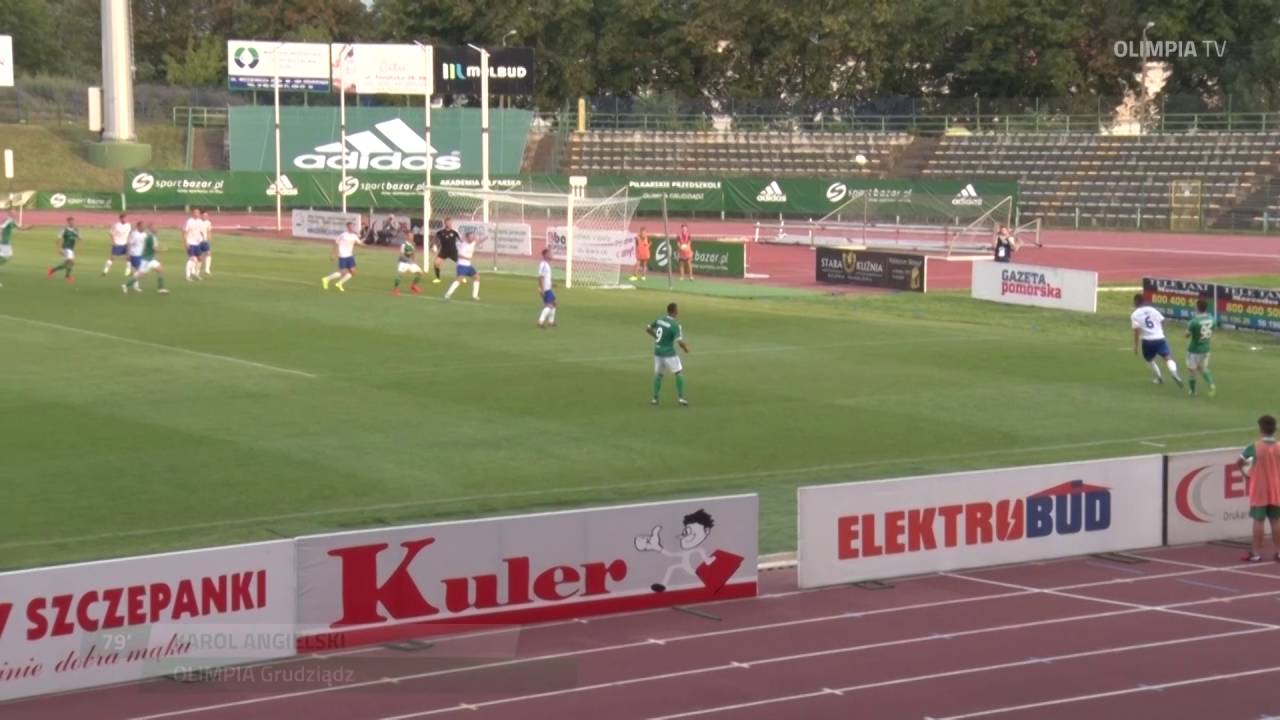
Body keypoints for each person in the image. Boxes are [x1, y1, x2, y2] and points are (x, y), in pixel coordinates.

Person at [1237, 415, 1280, 563]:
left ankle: (1255, 553)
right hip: (1276, 488)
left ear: (1261, 429)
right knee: (1276, 520)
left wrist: (1245, 474)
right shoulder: (1279, 446)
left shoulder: (1253, 447)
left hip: (1259, 489)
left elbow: (1239, 462)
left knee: (1258, 521)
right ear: (1274, 429)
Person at [1131, 293, 1183, 387]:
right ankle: (1174, 373)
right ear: (1143, 301)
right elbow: (1162, 320)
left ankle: (1159, 378)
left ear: (1136, 302)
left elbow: (1136, 331)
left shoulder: (1135, 315)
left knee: (1149, 360)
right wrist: (1160, 330)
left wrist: (1136, 345)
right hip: (1160, 338)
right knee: (1167, 357)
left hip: (1147, 341)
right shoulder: (1152, 309)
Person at [646, 302, 689, 406]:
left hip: (657, 352)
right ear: (674, 311)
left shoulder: (660, 320)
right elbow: (679, 342)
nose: (678, 311)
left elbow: (648, 328)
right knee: (678, 372)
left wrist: (656, 337)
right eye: (677, 309)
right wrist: (686, 349)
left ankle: (655, 398)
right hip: (669, 353)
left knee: (658, 375)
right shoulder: (675, 325)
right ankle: (681, 398)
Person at [123, 222, 168, 294]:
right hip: (147, 260)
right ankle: (126, 285)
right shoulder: (152, 237)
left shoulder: (150, 236)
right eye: (155, 228)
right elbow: (154, 249)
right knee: (141, 275)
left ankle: (161, 288)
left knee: (161, 270)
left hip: (151, 259)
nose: (157, 229)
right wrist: (162, 250)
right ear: (151, 229)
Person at [1185, 299, 1217, 398]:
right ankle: (1211, 384)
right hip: (1206, 348)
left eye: (1195, 306)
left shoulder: (1194, 321)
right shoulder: (1212, 318)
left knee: (1192, 370)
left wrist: (1189, 329)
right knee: (1202, 368)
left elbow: (1186, 335)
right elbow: (1212, 329)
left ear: (1198, 308)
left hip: (1194, 350)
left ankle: (1192, 391)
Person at [321, 221, 363, 292]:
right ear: (347, 227)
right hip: (343, 256)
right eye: (350, 226)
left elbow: (359, 243)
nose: (351, 228)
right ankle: (326, 279)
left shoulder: (354, 236)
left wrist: (365, 243)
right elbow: (336, 243)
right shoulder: (343, 235)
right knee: (342, 272)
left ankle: (339, 283)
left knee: (353, 272)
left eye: (352, 226)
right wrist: (333, 254)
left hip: (350, 256)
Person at [444, 230, 480, 300]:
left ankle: (475, 296)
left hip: (468, 266)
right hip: (462, 265)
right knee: (459, 279)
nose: (472, 238)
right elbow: (459, 255)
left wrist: (484, 238)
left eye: (473, 237)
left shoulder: (472, 243)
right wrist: (467, 258)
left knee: (477, 277)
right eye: (471, 237)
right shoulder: (464, 245)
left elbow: (477, 242)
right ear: (467, 238)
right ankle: (448, 294)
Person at [391, 230, 424, 296]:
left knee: (420, 273)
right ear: (406, 237)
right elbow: (401, 255)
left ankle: (413, 286)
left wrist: (415, 261)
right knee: (400, 275)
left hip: (410, 262)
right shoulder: (404, 245)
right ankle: (395, 289)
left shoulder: (413, 244)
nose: (412, 237)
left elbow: (413, 253)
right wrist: (408, 259)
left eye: (412, 235)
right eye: (410, 235)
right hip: (403, 262)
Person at [47, 216, 79, 282]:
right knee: (71, 262)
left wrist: (79, 237)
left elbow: (77, 238)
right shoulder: (64, 230)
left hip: (71, 249)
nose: (72, 223)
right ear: (68, 222)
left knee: (68, 264)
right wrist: (59, 249)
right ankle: (67, 277)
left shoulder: (75, 230)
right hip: (66, 248)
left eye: (73, 221)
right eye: (70, 221)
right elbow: (58, 239)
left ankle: (52, 270)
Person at [432, 218, 460, 284]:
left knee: (460, 264)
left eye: (450, 222)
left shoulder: (454, 232)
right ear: (445, 223)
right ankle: (438, 278)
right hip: (443, 251)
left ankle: (461, 277)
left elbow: (461, 240)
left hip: (453, 251)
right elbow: (435, 239)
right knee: (436, 263)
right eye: (448, 222)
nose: (449, 224)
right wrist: (434, 245)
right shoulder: (440, 232)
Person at [121, 221, 147, 293]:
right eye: (142, 226)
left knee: (136, 271)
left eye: (144, 226)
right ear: (138, 226)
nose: (143, 227)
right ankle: (127, 285)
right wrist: (128, 254)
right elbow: (129, 244)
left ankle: (135, 286)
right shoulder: (134, 234)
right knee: (139, 272)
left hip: (140, 254)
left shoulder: (144, 234)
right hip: (134, 254)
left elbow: (144, 243)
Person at [537, 247, 557, 328]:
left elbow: (546, 277)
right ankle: (540, 321)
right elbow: (540, 277)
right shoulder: (543, 264)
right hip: (545, 289)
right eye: (550, 254)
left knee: (554, 303)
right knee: (549, 305)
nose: (552, 255)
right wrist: (542, 289)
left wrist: (552, 284)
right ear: (545, 255)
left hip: (548, 288)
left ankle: (551, 322)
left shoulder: (547, 265)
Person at [182, 208, 203, 281]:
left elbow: (200, 231)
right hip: (190, 242)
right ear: (193, 213)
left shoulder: (200, 221)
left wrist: (202, 239)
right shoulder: (189, 221)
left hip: (197, 243)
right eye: (196, 213)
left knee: (200, 259)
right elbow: (184, 232)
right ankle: (188, 276)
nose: (197, 214)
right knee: (192, 259)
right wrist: (186, 243)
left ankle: (196, 273)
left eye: (198, 213)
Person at [199, 209, 214, 276]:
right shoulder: (198, 222)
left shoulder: (208, 222)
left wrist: (209, 239)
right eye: (204, 215)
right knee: (199, 256)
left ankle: (207, 269)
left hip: (205, 241)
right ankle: (195, 270)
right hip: (198, 241)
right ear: (201, 215)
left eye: (206, 215)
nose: (205, 217)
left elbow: (209, 231)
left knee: (208, 253)